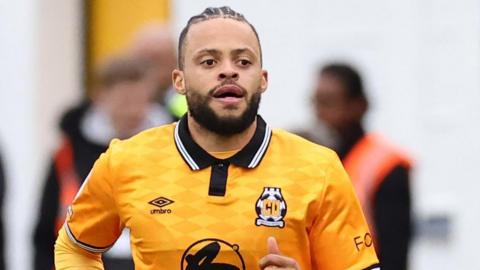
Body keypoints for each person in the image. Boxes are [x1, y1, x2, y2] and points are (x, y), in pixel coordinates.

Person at [54, 7, 380, 269]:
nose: (228, 71)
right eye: (209, 61)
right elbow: (74, 248)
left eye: (243, 61)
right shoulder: (125, 161)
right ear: (178, 81)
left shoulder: (318, 168)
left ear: (262, 79)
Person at [33, 55, 170, 270]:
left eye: (140, 100)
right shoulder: (68, 156)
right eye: (124, 101)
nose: (132, 111)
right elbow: (45, 233)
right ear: (100, 97)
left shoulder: (174, 149)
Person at [299, 63, 412, 270]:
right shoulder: (315, 160)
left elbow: (394, 254)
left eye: (329, 103)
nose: (319, 114)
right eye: (316, 102)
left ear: (359, 106)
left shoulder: (385, 165)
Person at [128, 23, 188, 120]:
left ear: (176, 60)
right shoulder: (121, 102)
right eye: (142, 61)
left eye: (157, 60)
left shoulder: (186, 98)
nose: (149, 69)